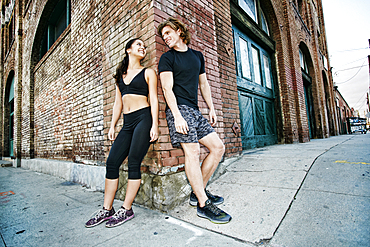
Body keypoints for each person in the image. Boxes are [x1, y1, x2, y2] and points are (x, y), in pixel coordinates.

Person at [157, 17, 231, 224]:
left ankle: (198, 192)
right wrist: (177, 115)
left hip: (196, 111)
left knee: (218, 148)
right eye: (163, 36)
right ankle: (202, 203)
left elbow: (204, 84)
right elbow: (166, 88)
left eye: (168, 33)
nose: (166, 38)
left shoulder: (197, 56)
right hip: (178, 109)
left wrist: (211, 108)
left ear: (179, 31)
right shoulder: (167, 58)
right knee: (193, 151)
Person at [85, 38, 158, 228]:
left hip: (143, 119)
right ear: (128, 50)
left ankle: (126, 209)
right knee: (112, 162)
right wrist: (112, 125)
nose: (142, 47)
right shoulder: (120, 76)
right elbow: (118, 103)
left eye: (144, 46)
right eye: (138, 45)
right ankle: (107, 209)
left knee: (134, 161)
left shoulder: (148, 72)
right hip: (127, 123)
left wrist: (155, 125)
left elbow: (154, 99)